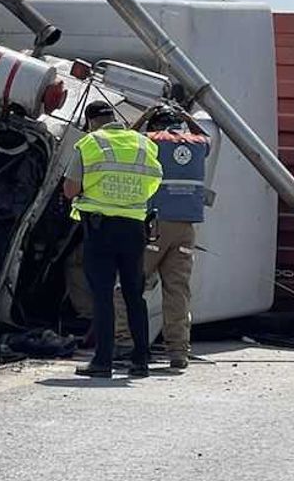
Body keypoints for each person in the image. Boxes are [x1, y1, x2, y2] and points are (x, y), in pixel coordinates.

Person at [63, 101, 162, 378]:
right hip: (134, 228)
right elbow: (154, 182)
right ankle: (141, 361)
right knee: (134, 295)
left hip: (100, 229)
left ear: (91, 121)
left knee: (103, 296)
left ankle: (102, 362)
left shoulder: (90, 143)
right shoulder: (143, 144)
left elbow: (70, 190)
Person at [113, 106, 211, 370]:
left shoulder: (151, 142)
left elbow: (127, 139)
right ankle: (179, 352)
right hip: (186, 228)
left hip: (155, 225)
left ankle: (125, 345)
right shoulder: (198, 144)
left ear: (153, 125)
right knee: (177, 291)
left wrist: (143, 116)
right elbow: (205, 137)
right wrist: (189, 119)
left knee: (129, 286)